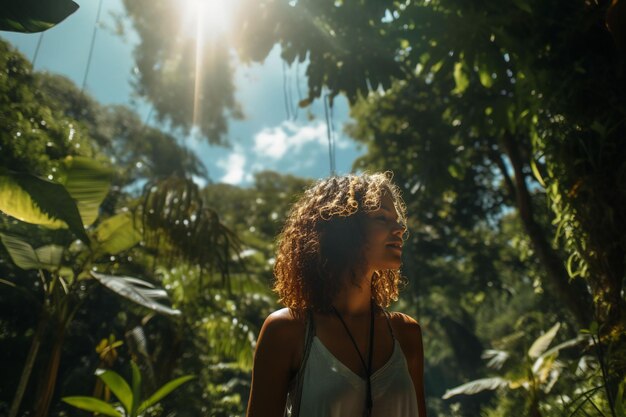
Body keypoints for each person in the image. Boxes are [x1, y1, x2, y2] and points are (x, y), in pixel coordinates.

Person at [246, 172, 427, 417]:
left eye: (397, 220)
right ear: (345, 230)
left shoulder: (406, 333)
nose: (400, 229)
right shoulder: (288, 331)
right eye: (383, 218)